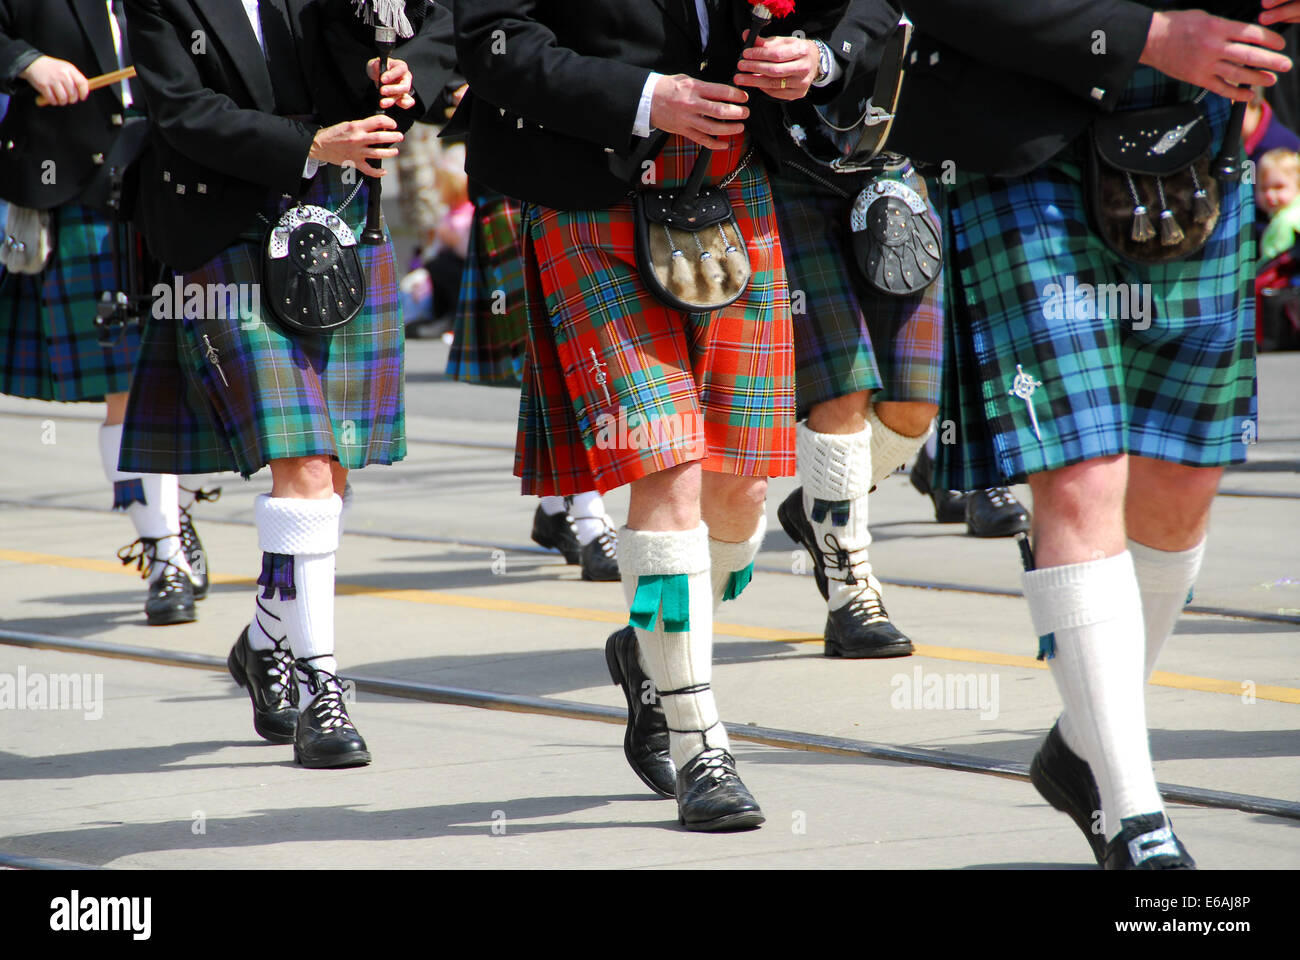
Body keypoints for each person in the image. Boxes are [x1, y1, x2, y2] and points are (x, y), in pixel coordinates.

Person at [893, 0, 1290, 868]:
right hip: (1022, 138)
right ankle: (1135, 813)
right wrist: (1147, 35)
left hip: (1194, 136)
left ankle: (1083, 747)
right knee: (1079, 476)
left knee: (1182, 485)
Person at [455, 0, 851, 830]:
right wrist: (644, 97)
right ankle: (700, 738)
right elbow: (494, 41)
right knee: (663, 463)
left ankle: (649, 648)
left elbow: (868, 13)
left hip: (733, 183)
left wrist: (816, 53)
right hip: (587, 188)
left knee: (740, 491)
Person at [119, 0, 455, 767]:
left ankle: (266, 638)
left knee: (329, 474)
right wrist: (309, 144)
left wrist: (405, 70)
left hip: (337, 219)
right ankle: (321, 693)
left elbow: (448, 21)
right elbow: (181, 108)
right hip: (225, 232)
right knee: (303, 464)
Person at [0, 0, 210, 625]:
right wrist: (27, 62)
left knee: (193, 379)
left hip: (181, 189)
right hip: (82, 191)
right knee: (128, 383)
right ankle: (166, 555)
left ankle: (170, 514)